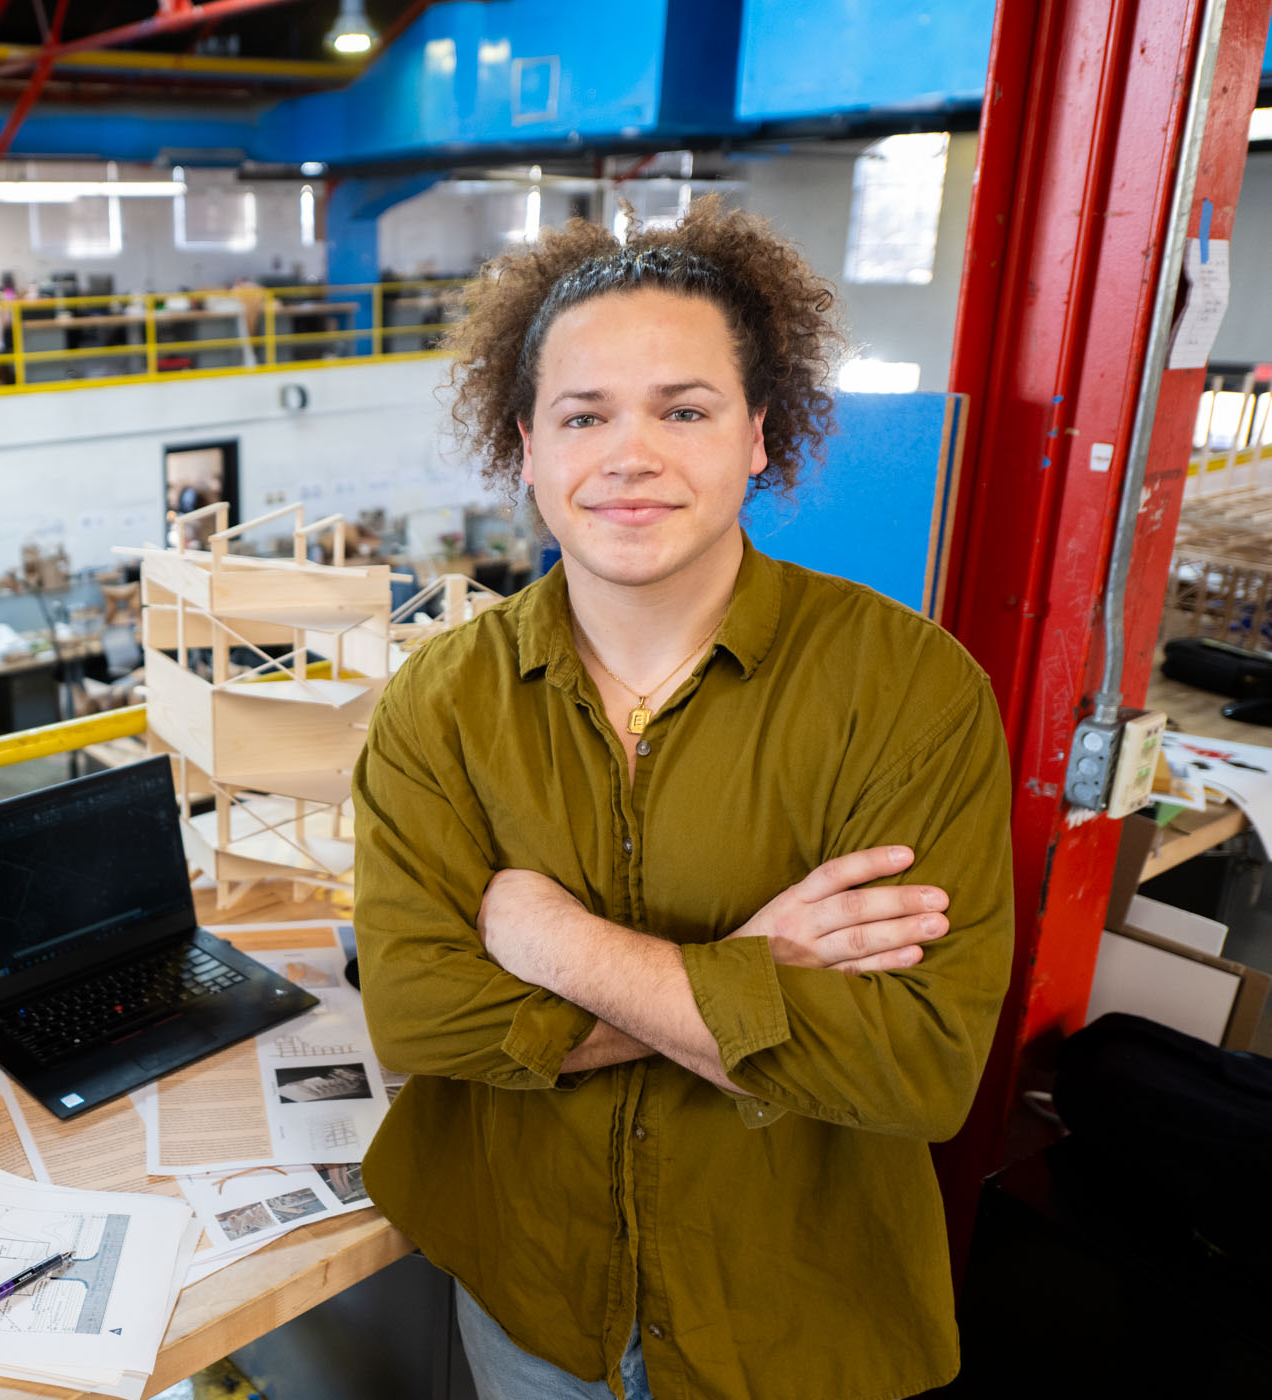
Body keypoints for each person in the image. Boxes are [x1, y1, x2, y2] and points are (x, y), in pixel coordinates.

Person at [352, 197, 1013, 1400]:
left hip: (786, 1318)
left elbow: (917, 1063)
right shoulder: (438, 703)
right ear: (530, 445)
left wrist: (556, 942)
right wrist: (754, 972)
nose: (630, 453)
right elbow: (418, 1018)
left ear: (759, 434)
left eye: (685, 409)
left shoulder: (909, 690)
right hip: (534, 1299)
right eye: (584, 414)